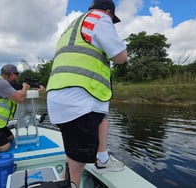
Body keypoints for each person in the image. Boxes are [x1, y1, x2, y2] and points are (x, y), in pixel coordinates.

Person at [46, 0, 127, 186]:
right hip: (79, 98)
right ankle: (71, 183)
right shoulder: (100, 18)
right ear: (109, 12)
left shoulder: (71, 26)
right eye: (112, 19)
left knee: (102, 118)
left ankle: (103, 158)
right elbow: (121, 57)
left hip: (65, 95)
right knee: (76, 162)